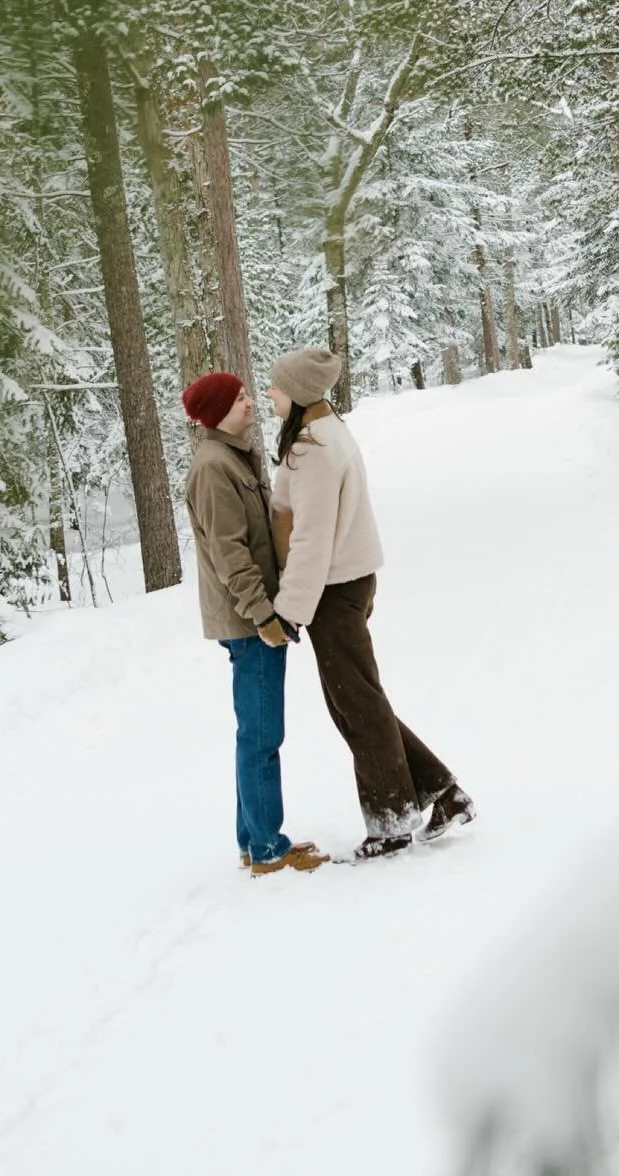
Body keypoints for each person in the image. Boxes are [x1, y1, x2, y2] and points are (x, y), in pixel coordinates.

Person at [266, 346, 474, 861]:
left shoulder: (312, 448)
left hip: (332, 590)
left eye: (275, 386)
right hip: (349, 582)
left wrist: (289, 609)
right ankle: (441, 791)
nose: (269, 393)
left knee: (357, 706)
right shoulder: (328, 431)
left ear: (297, 392)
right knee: (361, 700)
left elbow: (312, 537)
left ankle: (392, 822)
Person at [182, 370, 327, 878]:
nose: (250, 402)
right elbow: (230, 554)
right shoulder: (213, 468)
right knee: (263, 734)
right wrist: (264, 615)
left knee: (256, 730)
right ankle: (268, 848)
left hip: (254, 614)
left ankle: (252, 839)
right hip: (249, 620)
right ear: (219, 410)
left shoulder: (231, 456)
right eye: (240, 398)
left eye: (248, 394)